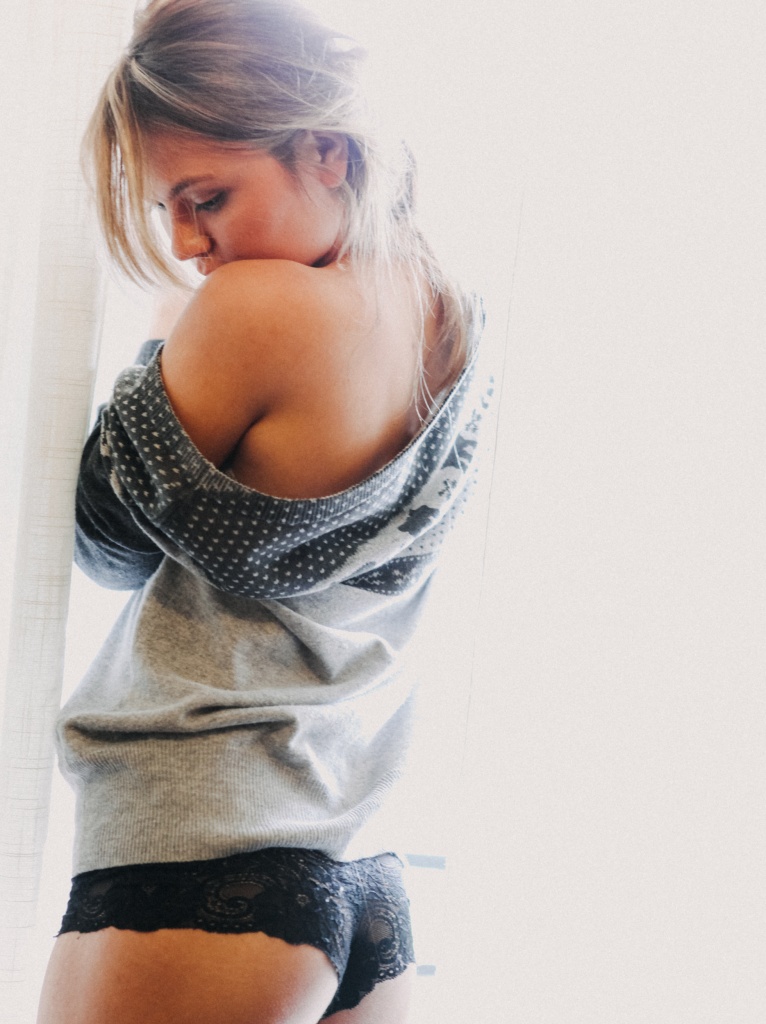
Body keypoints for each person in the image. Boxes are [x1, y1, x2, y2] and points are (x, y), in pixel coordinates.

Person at [38, 1, 492, 1022]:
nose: (186, 243)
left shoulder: (255, 307)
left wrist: (168, 338)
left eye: (206, 198)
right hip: (365, 861)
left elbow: (101, 538)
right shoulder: (451, 314)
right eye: (166, 209)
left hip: (196, 846)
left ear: (328, 151)